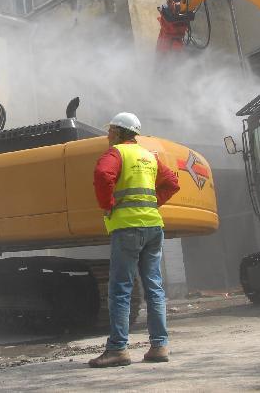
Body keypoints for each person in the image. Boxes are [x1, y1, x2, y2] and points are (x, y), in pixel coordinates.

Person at [88, 112, 180, 368]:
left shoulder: (115, 154)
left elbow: (103, 175)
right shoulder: (149, 156)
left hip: (127, 228)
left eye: (110, 131)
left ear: (118, 132)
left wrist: (108, 205)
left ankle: (118, 349)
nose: (107, 135)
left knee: (120, 290)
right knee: (154, 287)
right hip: (153, 227)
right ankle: (159, 346)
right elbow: (172, 183)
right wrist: (152, 204)